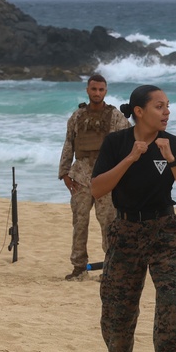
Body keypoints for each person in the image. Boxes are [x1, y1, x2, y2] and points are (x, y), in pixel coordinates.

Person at [90, 84, 176, 352]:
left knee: (172, 310)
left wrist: (172, 161)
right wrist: (131, 157)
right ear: (139, 111)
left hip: (165, 232)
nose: (166, 112)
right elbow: (97, 188)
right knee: (116, 313)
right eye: (159, 106)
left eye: (168, 106)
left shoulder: (175, 145)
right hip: (125, 231)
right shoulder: (116, 143)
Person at [58, 74, 130, 280]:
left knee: (108, 223)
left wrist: (120, 176)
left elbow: (125, 145)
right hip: (80, 176)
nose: (97, 93)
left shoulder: (116, 117)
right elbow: (68, 144)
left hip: (105, 177)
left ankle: (111, 267)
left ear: (105, 91)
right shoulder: (77, 116)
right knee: (79, 223)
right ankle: (78, 267)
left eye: (101, 89)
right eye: (93, 89)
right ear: (87, 90)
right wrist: (64, 173)